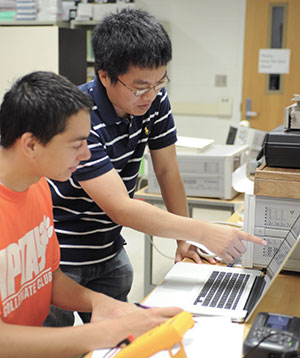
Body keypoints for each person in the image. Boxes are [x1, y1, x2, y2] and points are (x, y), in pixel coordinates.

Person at [46, 8, 266, 326]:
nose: (150, 95)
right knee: (60, 345)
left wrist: (184, 241)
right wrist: (203, 230)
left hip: (108, 249)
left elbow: (167, 172)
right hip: (63, 255)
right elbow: (120, 207)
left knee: (116, 340)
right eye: (139, 87)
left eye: (159, 82)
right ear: (104, 75)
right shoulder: (79, 117)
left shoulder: (155, 102)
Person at [0, 70, 181, 358]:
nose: (86, 155)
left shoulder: (39, 187)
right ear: (31, 144)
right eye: (76, 144)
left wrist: (100, 303)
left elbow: (50, 278)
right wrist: (101, 334)